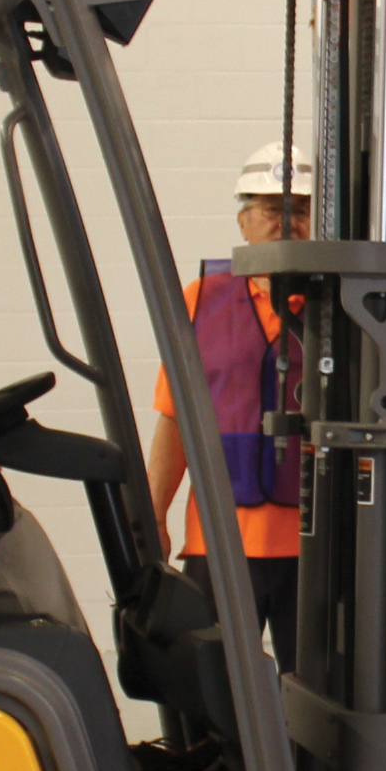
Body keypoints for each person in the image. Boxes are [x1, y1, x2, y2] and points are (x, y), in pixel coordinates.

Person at [145, 143, 310, 660]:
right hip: (218, 542)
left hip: (315, 548)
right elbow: (175, 421)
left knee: (315, 695)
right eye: (270, 209)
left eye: (300, 210)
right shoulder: (201, 300)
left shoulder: (344, 307)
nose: (286, 221)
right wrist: (153, 515)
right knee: (215, 689)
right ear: (243, 222)